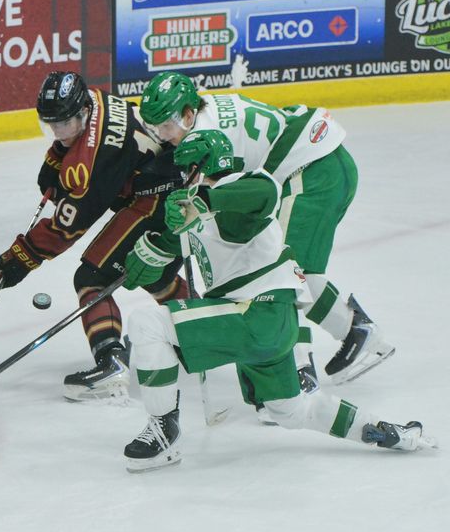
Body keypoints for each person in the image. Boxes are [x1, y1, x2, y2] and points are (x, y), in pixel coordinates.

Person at [120, 130, 433, 472]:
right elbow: (163, 258)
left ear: (203, 167)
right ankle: (385, 431)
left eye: (185, 170)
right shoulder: (192, 213)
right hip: (264, 324)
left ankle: (164, 433)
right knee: (292, 409)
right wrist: (145, 256)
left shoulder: (243, 185)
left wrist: (203, 201)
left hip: (257, 313)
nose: (179, 179)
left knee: (146, 324)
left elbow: (263, 194)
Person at [139, 72, 395, 419]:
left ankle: (305, 370)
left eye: (166, 126)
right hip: (325, 160)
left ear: (186, 115)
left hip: (310, 170)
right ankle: (353, 331)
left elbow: (230, 197)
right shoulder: (206, 109)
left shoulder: (202, 137)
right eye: (155, 128)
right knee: (293, 270)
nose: (162, 137)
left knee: (289, 273)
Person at [0, 71, 189, 401]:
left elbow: (68, 226)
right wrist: (58, 156)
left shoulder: (95, 158)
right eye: (52, 125)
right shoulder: (95, 99)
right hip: (172, 187)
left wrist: (21, 258)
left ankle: (111, 364)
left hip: (160, 202)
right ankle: (206, 332)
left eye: (65, 125)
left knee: (92, 276)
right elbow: (81, 146)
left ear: (81, 112)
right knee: (154, 274)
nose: (59, 132)